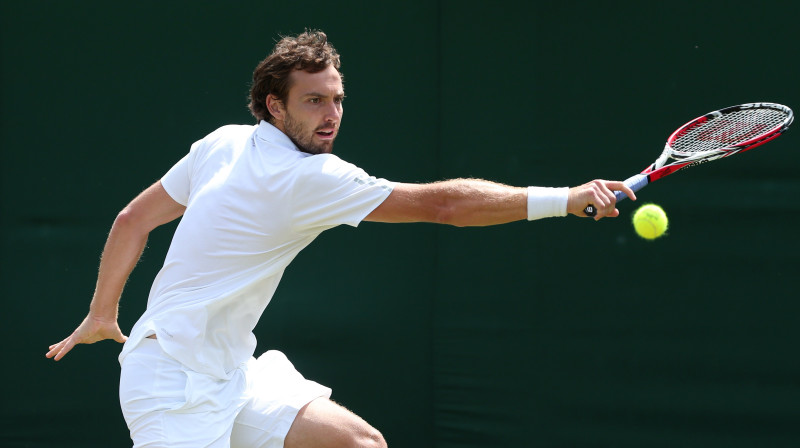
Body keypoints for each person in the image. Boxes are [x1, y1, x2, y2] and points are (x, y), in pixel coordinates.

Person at [46, 30, 635, 448]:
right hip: (172, 385)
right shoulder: (308, 176)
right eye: (313, 102)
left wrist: (103, 313)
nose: (331, 115)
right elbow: (446, 206)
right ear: (275, 107)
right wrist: (566, 198)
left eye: (337, 100)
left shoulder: (223, 141)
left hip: (231, 372)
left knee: (357, 443)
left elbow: (131, 220)